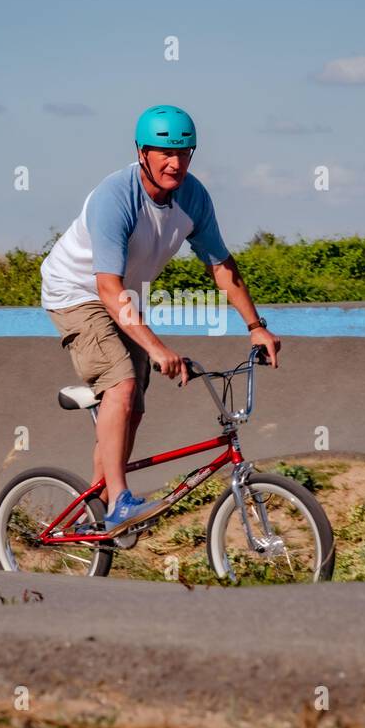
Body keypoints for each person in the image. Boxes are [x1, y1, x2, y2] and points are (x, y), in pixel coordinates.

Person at [40, 104, 281, 542]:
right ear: (141, 153)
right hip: (77, 292)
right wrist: (155, 348)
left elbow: (221, 266)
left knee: (132, 407)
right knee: (122, 384)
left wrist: (255, 325)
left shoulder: (193, 197)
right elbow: (107, 289)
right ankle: (119, 504)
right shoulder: (115, 198)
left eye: (185, 153)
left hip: (124, 296)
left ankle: (94, 509)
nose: (176, 164)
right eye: (164, 153)